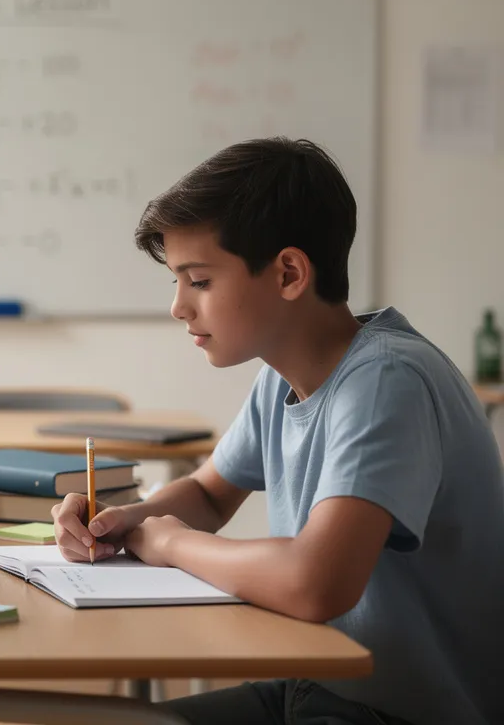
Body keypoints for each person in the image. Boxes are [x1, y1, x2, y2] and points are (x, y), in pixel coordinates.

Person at [54, 137, 504, 725]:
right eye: (176, 283)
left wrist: (169, 544)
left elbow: (316, 583)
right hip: (315, 689)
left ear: (289, 273)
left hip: (398, 714)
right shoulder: (282, 376)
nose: (179, 308)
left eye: (200, 281)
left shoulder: (387, 380)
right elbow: (209, 494)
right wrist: (122, 521)